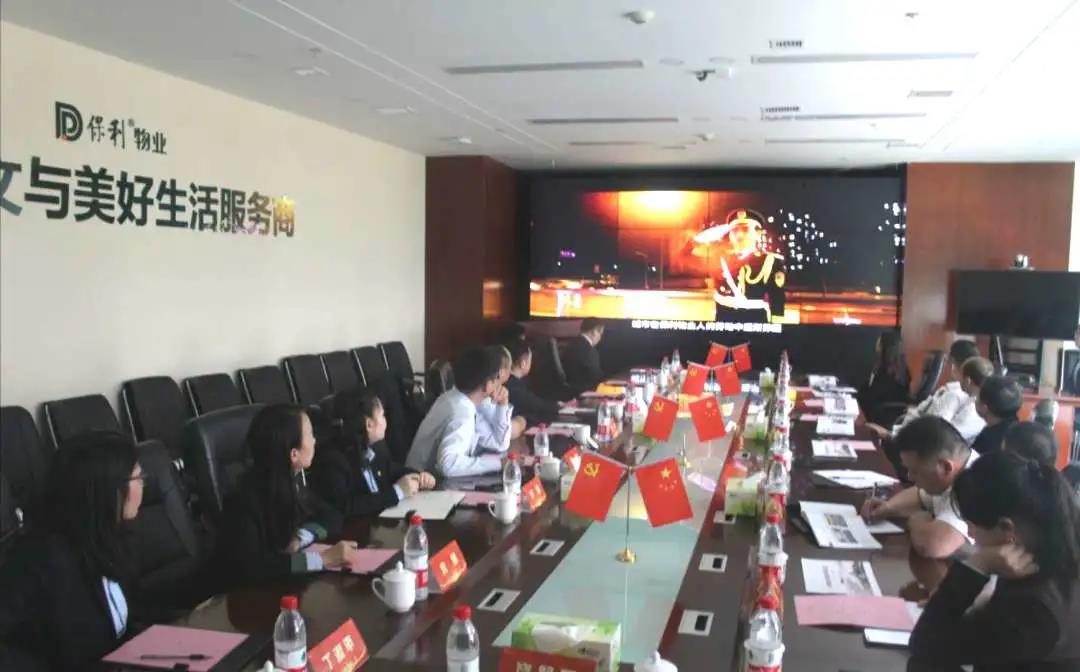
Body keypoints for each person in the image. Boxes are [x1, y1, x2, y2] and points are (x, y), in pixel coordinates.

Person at [908, 451, 1080, 671]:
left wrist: (977, 565)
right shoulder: (1057, 551)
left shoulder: (1035, 613)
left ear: (1007, 528)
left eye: (971, 525)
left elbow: (925, 644)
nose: (970, 533)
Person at [0, 432, 146, 670]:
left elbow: (121, 626)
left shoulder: (113, 539)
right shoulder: (42, 560)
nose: (143, 484)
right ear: (106, 490)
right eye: (138, 477)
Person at [215, 405, 361, 589]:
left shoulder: (292, 482)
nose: (315, 440)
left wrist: (301, 537)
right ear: (294, 454)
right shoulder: (243, 502)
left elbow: (333, 515)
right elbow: (251, 569)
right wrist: (321, 559)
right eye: (310, 434)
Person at [862, 416, 979, 598]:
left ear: (945, 467)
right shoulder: (950, 475)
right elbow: (920, 495)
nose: (909, 477)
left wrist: (917, 519)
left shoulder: (975, 484)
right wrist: (888, 507)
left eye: (915, 471)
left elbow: (932, 545)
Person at [310, 390, 436, 517]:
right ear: (369, 425)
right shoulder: (333, 460)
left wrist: (420, 477)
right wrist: (397, 491)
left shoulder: (372, 447)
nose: (385, 420)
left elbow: (392, 470)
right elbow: (347, 508)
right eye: (382, 415)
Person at [406, 347, 506, 477]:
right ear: (487, 385)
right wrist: (499, 464)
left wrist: (502, 405)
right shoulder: (462, 412)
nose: (499, 384)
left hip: (421, 477)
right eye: (496, 378)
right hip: (423, 483)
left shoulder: (452, 397)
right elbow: (448, 465)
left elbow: (499, 443)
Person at [867, 340, 985, 444]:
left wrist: (889, 435)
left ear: (953, 363)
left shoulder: (954, 395)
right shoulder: (960, 393)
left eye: (948, 360)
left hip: (914, 445)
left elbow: (932, 432)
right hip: (909, 435)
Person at [475, 346, 526, 451]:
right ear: (502, 372)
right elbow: (501, 441)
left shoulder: (488, 393)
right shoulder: (481, 398)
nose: (511, 372)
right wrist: (520, 422)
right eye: (510, 368)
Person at [856, 331, 911, 427]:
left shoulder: (893, 373)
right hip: (874, 409)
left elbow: (877, 394)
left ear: (886, 348)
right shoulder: (888, 366)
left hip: (882, 413)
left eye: (879, 345)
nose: (876, 348)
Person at [505, 339, 564, 426]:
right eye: (530, 360)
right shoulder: (513, 386)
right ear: (523, 364)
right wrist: (558, 405)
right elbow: (534, 404)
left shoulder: (516, 382)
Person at [971, 375, 1023, 456]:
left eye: (977, 397)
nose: (974, 400)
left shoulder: (985, 443)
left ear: (984, 408)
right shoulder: (1019, 430)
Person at [562, 317, 606, 394]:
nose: (600, 338)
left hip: (567, 391)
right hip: (585, 393)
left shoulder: (570, 345)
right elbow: (596, 377)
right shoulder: (590, 351)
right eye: (600, 334)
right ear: (594, 331)